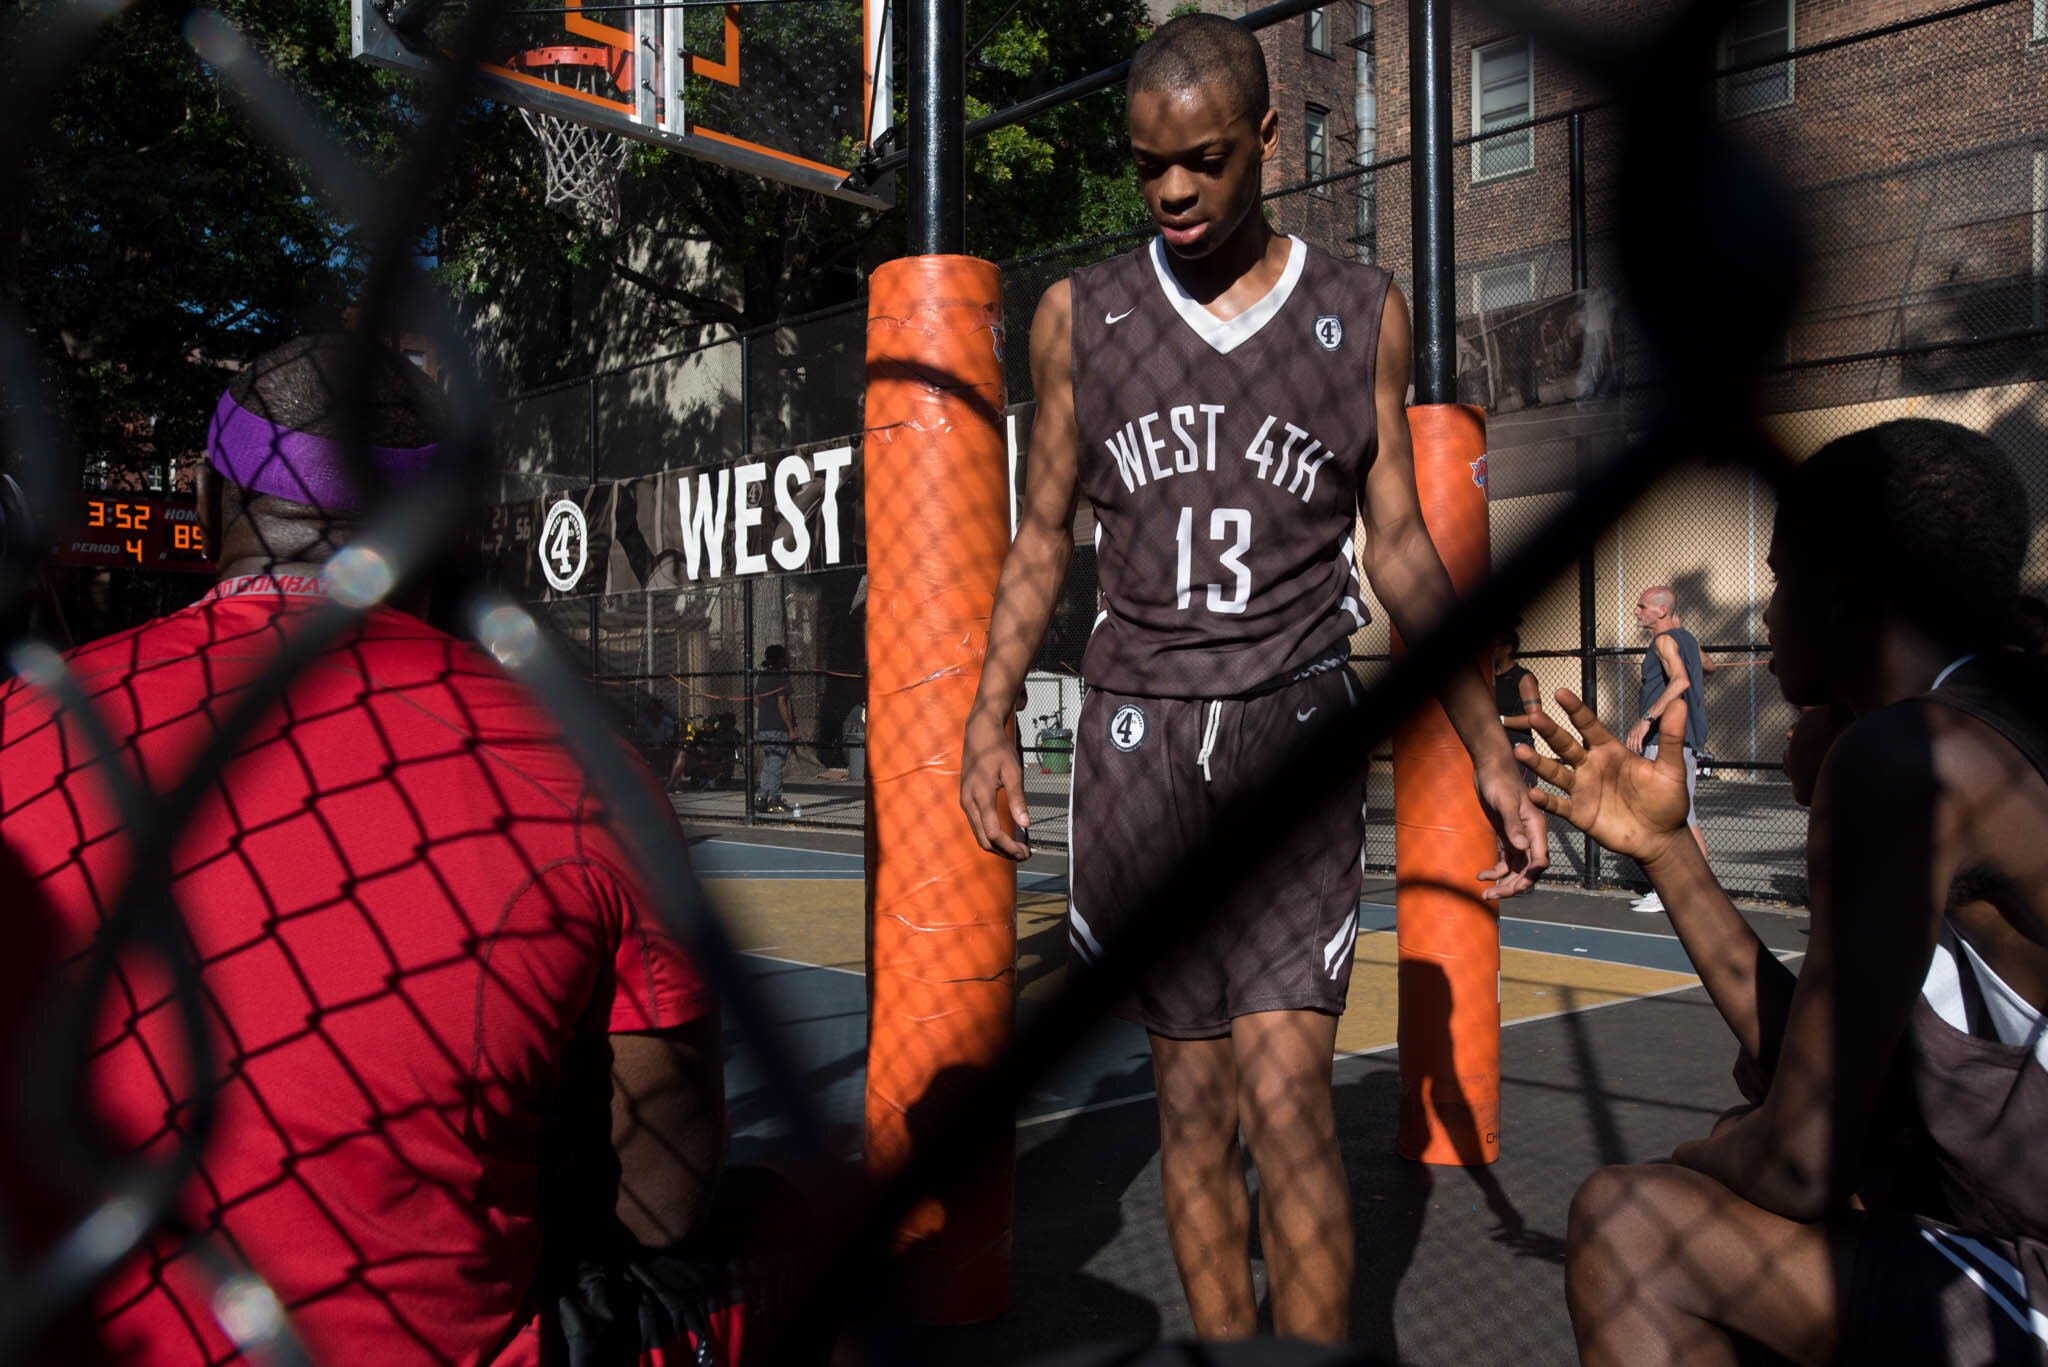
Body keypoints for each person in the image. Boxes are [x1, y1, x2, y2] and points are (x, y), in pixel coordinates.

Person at [957, 14, 1544, 1343]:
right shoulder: (1081, 319)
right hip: (1133, 751)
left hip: (1290, 733)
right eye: (1147, 163)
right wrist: (990, 716)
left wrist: (1490, 745)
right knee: (1194, 1108)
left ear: (1270, 139)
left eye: (1203, 161)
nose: (1171, 190)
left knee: (1290, 1106)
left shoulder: (1356, 311)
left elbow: (1399, 548)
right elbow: (1040, 533)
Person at [0, 336, 732, 1365]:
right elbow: (663, 1198)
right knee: (791, 1214)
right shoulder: (579, 764)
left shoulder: (22, 718)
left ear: (212, 506)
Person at [1519, 419, 2048, 1366]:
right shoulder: (1993, 721)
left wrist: (1707, 1154)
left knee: (1634, 1227)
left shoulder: (1910, 758)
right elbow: (1820, 1070)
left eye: (1782, 577)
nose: (1765, 615)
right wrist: (1669, 851)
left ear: (1849, 586)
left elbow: (1801, 1160)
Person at [1623, 585, 1708, 913]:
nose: (1636, 611)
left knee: (1667, 817)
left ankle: (1675, 891)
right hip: (1683, 741)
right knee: (1683, 816)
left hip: (1667, 741)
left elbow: (1681, 681)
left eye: (1643, 606)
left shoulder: (1662, 641)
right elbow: (1706, 665)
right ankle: (1699, 889)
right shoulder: (1685, 639)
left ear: (1660, 611)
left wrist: (1646, 719)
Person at [755, 644, 795, 815]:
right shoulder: (781, 676)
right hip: (778, 726)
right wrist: (791, 729)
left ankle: (762, 798)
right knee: (776, 763)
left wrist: (766, 707)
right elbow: (781, 703)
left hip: (763, 726)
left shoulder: (762, 676)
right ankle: (775, 800)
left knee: (769, 762)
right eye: (785, 655)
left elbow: (756, 701)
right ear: (780, 658)